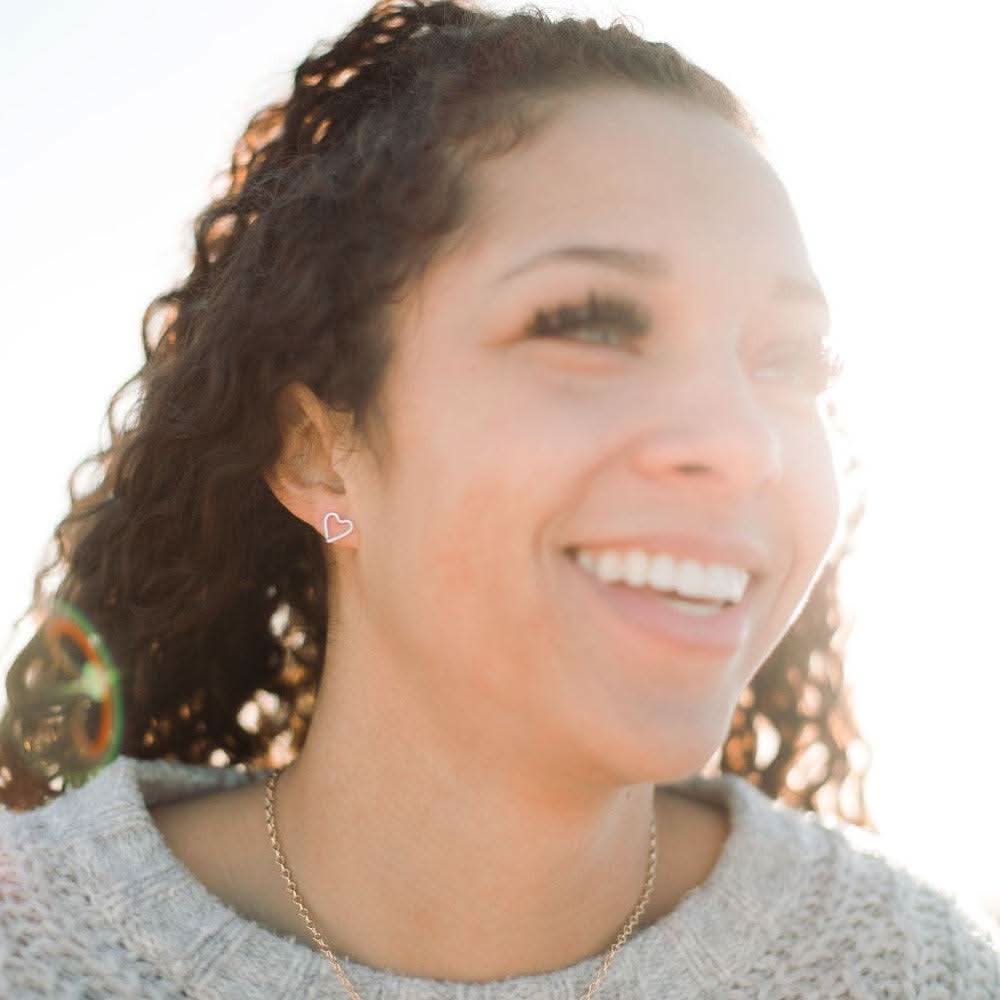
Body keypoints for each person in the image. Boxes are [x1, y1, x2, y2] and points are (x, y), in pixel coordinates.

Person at [1, 1, 998, 997]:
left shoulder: (912, 972)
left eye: (786, 358)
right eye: (587, 323)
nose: (741, 443)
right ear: (318, 455)